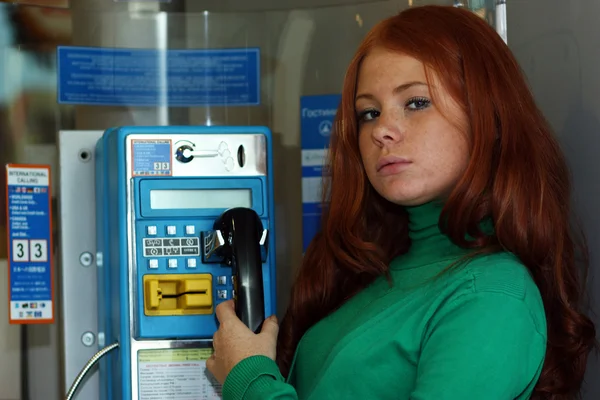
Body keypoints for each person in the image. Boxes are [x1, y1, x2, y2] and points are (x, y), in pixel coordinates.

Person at [207, 5, 598, 399]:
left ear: (487, 115)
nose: (383, 131)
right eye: (369, 113)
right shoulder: (375, 269)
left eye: (416, 103)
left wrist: (250, 379)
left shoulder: (493, 294)